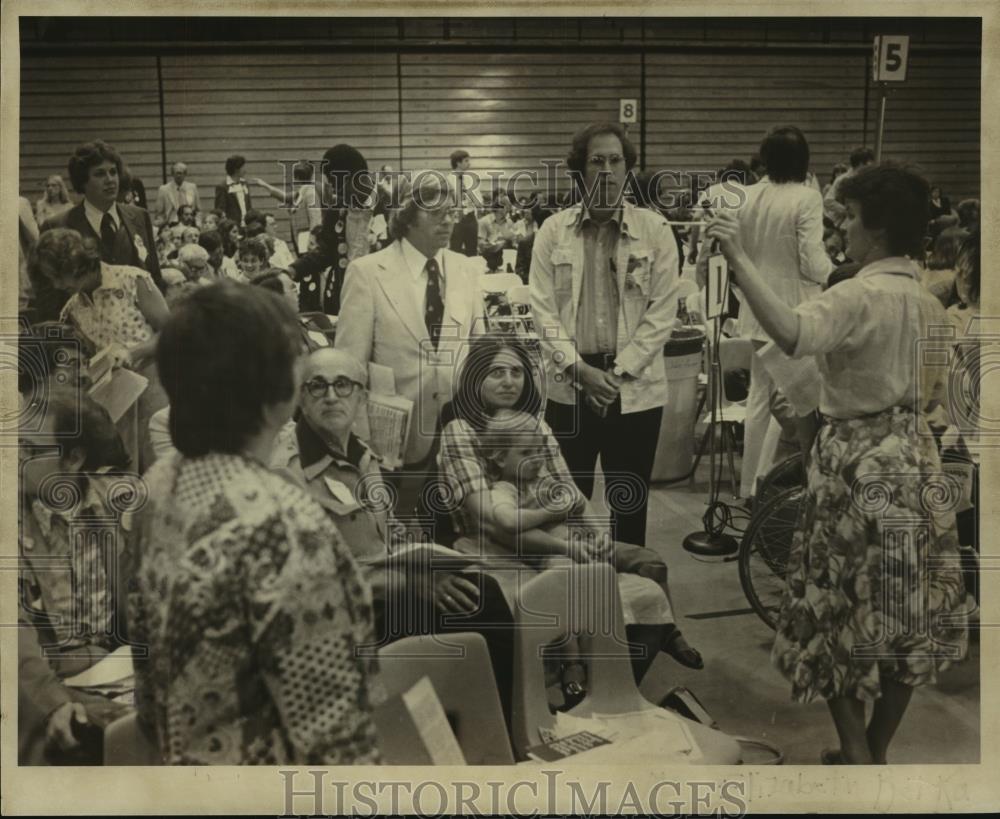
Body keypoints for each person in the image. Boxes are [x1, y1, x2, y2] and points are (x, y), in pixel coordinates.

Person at [706, 163, 968, 765]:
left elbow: (794, 334)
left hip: (854, 464)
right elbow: (936, 398)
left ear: (874, 229)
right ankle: (875, 747)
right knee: (907, 609)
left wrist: (738, 257)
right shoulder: (928, 303)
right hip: (917, 462)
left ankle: (855, 748)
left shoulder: (856, 294)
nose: (841, 229)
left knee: (836, 607)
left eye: (848, 217)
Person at [128, 281, 380, 765]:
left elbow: (147, 686)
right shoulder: (285, 524)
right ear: (277, 389)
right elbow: (337, 745)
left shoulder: (158, 485)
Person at [271, 347, 517, 723]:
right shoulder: (287, 472)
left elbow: (387, 532)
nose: (331, 396)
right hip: (340, 622)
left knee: (481, 597)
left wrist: (427, 556)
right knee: (472, 611)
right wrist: (407, 582)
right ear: (300, 398)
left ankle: (501, 733)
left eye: (343, 385)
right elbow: (302, 584)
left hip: (390, 598)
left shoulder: (363, 455)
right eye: (317, 386)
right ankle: (476, 735)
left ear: (363, 397)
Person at [438, 335, 702, 676]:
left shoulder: (534, 424)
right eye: (496, 372)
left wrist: (598, 532)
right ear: (474, 377)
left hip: (548, 529)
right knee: (571, 583)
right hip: (496, 543)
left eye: (517, 372)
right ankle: (581, 673)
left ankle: (628, 670)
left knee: (649, 563)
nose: (509, 381)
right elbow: (494, 521)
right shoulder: (460, 429)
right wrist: (561, 522)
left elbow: (570, 493)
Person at [529, 121, 681, 547]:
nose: (608, 169)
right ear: (580, 169)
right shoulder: (552, 231)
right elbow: (542, 310)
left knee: (629, 502)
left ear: (628, 168)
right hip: (569, 384)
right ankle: (576, 591)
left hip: (632, 387)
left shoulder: (656, 231)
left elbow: (662, 313)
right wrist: (580, 371)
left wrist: (615, 375)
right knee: (566, 500)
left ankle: (634, 596)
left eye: (616, 160)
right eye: (597, 160)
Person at [335, 171, 484, 517]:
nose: (448, 221)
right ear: (406, 216)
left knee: (452, 538)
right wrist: (359, 446)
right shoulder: (367, 273)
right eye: (436, 213)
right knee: (396, 539)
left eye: (452, 212)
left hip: (456, 434)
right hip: (390, 441)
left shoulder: (466, 270)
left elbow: (479, 352)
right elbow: (349, 366)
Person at [18, 388, 135, 764]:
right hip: (49, 686)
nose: (13, 457)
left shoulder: (115, 504)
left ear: (73, 460)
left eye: (29, 449)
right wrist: (54, 703)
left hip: (124, 669)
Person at [717, 125, 832, 501]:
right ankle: (766, 485)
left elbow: (738, 252)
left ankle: (750, 486)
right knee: (798, 401)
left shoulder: (747, 196)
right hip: (794, 312)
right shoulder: (807, 197)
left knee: (759, 400)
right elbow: (813, 263)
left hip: (754, 309)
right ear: (805, 160)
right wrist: (838, 272)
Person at [29, 228, 171, 469]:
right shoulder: (73, 308)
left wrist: (132, 353)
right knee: (129, 469)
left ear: (76, 265)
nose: (55, 284)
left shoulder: (131, 280)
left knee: (161, 464)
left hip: (155, 387)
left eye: (57, 275)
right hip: (118, 400)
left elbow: (172, 332)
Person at [37, 140, 162, 319]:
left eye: (113, 172)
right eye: (100, 174)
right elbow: (48, 296)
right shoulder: (56, 225)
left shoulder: (140, 217)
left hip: (138, 332)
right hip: (84, 333)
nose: (110, 180)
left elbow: (154, 277)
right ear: (83, 182)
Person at [290, 144, 373, 315]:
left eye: (336, 184)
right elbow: (324, 252)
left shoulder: (387, 209)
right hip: (343, 300)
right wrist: (293, 270)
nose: (334, 191)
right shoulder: (336, 210)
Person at [448, 149, 479, 256]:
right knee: (455, 251)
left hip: (470, 218)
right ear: (458, 163)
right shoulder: (448, 180)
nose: (469, 163)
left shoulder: (470, 179)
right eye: (466, 161)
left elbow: (478, 200)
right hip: (457, 220)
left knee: (472, 251)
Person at [155, 161, 199, 226]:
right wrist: (163, 225)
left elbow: (198, 210)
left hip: (190, 224)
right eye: (177, 173)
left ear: (185, 174)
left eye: (182, 173)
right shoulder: (164, 189)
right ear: (172, 174)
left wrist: (198, 224)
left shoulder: (192, 187)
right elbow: (159, 213)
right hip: (171, 224)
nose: (179, 176)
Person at [214, 154, 252, 225]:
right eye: (243, 167)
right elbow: (220, 211)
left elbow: (249, 206)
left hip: (247, 226)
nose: (245, 170)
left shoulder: (245, 184)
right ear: (236, 169)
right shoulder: (222, 187)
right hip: (232, 227)